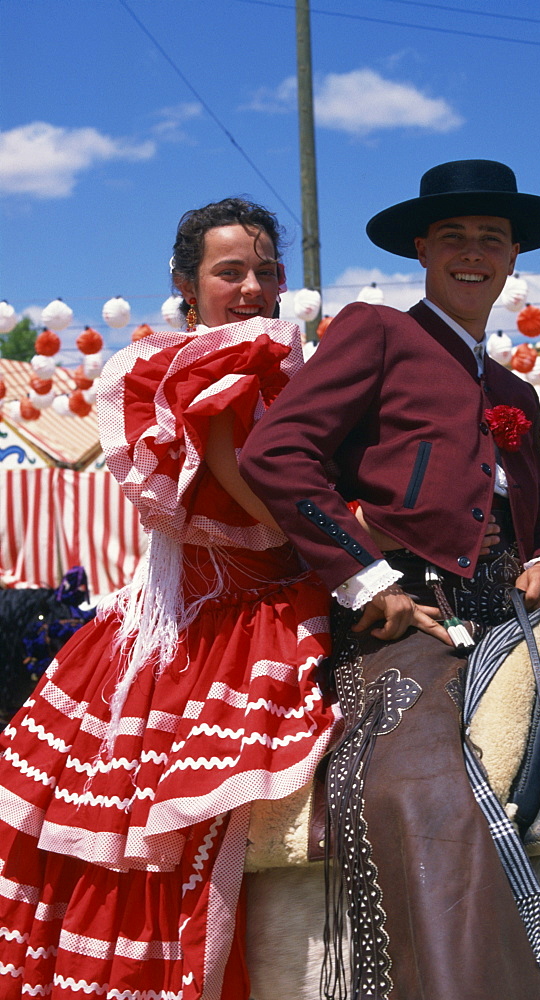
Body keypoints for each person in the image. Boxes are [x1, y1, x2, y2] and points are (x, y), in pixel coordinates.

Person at [239, 160, 540, 999]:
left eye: (490, 240)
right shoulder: (376, 332)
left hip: (520, 615)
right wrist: (368, 581)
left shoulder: (516, 393)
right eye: (454, 238)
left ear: (512, 257)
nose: (473, 253)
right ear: (422, 250)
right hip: (412, 617)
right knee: (431, 788)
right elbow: (276, 456)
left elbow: (536, 524)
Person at [0, 198, 340, 999]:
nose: (252, 286)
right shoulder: (203, 366)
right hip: (221, 621)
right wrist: (365, 542)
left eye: (266, 271)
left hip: (262, 596)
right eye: (230, 272)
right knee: (162, 827)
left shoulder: (289, 363)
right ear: (187, 283)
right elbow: (260, 496)